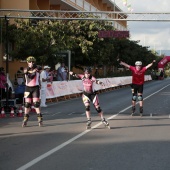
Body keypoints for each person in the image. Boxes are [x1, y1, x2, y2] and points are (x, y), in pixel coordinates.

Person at [22, 56, 43, 127]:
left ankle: (39, 118)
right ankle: (25, 119)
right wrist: (31, 69)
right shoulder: (26, 69)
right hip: (27, 88)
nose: (31, 63)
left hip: (35, 88)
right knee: (27, 104)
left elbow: (40, 67)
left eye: (33, 62)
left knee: (36, 104)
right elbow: (28, 74)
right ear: (27, 63)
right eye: (30, 62)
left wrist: (35, 67)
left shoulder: (37, 69)